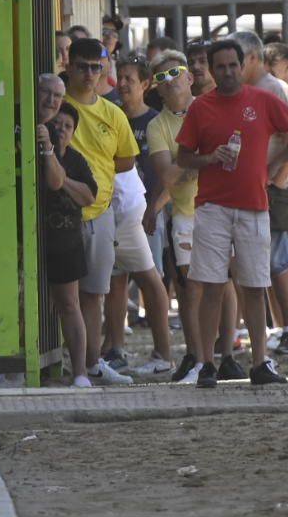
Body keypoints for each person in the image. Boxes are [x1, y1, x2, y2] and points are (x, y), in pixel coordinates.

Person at [175, 38, 288, 387]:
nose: (228, 71)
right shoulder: (201, 108)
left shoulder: (262, 99)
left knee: (255, 284)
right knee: (211, 284)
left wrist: (277, 164)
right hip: (212, 207)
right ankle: (207, 363)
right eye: (220, 66)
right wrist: (210, 158)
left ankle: (260, 362)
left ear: (243, 64)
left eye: (233, 65)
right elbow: (183, 157)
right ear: (212, 70)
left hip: (254, 206)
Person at [66, 37, 173, 384]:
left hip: (116, 206)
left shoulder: (114, 113)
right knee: (92, 289)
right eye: (82, 66)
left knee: (119, 282)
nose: (89, 74)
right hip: (64, 214)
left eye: (96, 67)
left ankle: (139, 356)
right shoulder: (57, 105)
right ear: (69, 65)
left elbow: (126, 160)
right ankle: (97, 356)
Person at [233, 31, 288, 356]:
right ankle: (275, 328)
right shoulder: (243, 90)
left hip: (273, 188)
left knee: (279, 259)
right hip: (248, 186)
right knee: (254, 261)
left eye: (237, 59)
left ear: (251, 58)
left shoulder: (275, 88)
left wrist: (278, 175)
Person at [103, 54, 173, 375]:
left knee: (151, 278)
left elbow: (164, 172)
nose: (124, 84)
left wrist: (156, 208)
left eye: (131, 78)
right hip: (116, 209)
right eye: (121, 77)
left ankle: (162, 351)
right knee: (115, 279)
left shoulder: (155, 121)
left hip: (147, 210)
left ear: (146, 84)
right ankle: (115, 347)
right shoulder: (113, 117)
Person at [146, 52, 204, 381]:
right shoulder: (158, 125)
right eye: (160, 78)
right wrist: (203, 162)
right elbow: (167, 177)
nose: (169, 81)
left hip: (221, 208)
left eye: (175, 73)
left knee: (229, 286)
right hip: (184, 213)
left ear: (190, 77)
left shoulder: (210, 108)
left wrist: (188, 166)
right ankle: (197, 359)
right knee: (191, 289)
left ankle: (225, 355)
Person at [39, 102, 97, 386]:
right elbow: (53, 180)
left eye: (67, 126)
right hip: (34, 242)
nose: (61, 129)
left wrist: (64, 181)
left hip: (66, 240)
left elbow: (89, 196)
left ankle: (81, 373)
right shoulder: (32, 151)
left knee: (70, 304)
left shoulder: (76, 159)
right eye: (57, 123)